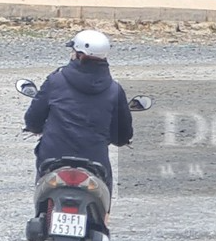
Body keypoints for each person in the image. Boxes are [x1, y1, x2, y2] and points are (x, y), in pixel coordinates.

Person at [23, 29, 135, 189]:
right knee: (103, 196)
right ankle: (104, 214)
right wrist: (119, 139)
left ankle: (42, 212)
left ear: (79, 54)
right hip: (95, 160)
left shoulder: (56, 81)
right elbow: (122, 134)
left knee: (43, 190)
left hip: (53, 156)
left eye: (73, 50)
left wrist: (34, 128)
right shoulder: (114, 90)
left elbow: (33, 118)